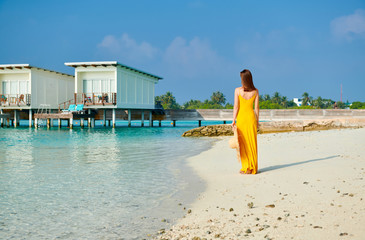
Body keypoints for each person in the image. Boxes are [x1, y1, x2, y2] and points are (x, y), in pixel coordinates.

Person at [231, 69, 259, 174]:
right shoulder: (255, 91)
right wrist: (257, 121)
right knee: (251, 142)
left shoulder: (237, 90)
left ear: (243, 79)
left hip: (241, 118)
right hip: (251, 118)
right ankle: (251, 167)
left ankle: (246, 167)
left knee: (243, 143)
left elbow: (236, 107)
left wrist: (233, 120)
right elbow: (256, 108)